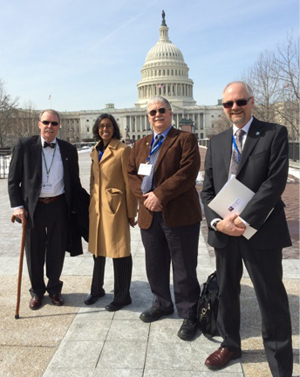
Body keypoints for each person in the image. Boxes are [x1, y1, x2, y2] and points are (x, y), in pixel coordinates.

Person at [201, 82, 293, 376]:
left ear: (251, 102)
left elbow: (274, 182)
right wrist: (218, 223)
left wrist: (244, 219)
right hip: (224, 233)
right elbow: (207, 191)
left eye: (240, 102)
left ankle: (279, 361)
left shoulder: (273, 134)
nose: (234, 108)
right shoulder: (216, 142)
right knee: (227, 293)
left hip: (260, 231)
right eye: (228, 104)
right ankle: (230, 344)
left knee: (271, 297)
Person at [127, 96, 202, 340]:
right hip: (150, 216)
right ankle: (162, 303)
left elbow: (187, 173)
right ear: (147, 117)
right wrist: (147, 198)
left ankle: (189, 313)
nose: (157, 115)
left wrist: (159, 195)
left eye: (161, 110)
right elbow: (130, 175)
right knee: (155, 264)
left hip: (179, 214)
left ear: (170, 113)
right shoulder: (140, 145)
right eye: (152, 112)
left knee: (184, 268)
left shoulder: (185, 139)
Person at [8, 109, 89, 310]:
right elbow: (13, 180)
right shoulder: (25, 146)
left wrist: (91, 204)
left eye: (54, 123)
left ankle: (54, 289)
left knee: (56, 250)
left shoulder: (68, 149)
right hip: (33, 209)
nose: (50, 127)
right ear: (39, 124)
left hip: (59, 206)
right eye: (46, 122)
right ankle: (37, 291)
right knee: (34, 251)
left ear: (59, 126)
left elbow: (74, 183)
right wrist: (17, 207)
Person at [84, 114, 137, 311]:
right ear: (97, 129)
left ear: (114, 128)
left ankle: (123, 295)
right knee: (98, 251)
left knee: (120, 251)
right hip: (97, 208)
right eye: (101, 126)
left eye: (108, 126)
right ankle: (97, 289)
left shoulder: (123, 150)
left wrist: (132, 212)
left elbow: (129, 184)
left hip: (116, 208)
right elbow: (93, 181)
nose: (104, 129)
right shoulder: (94, 150)